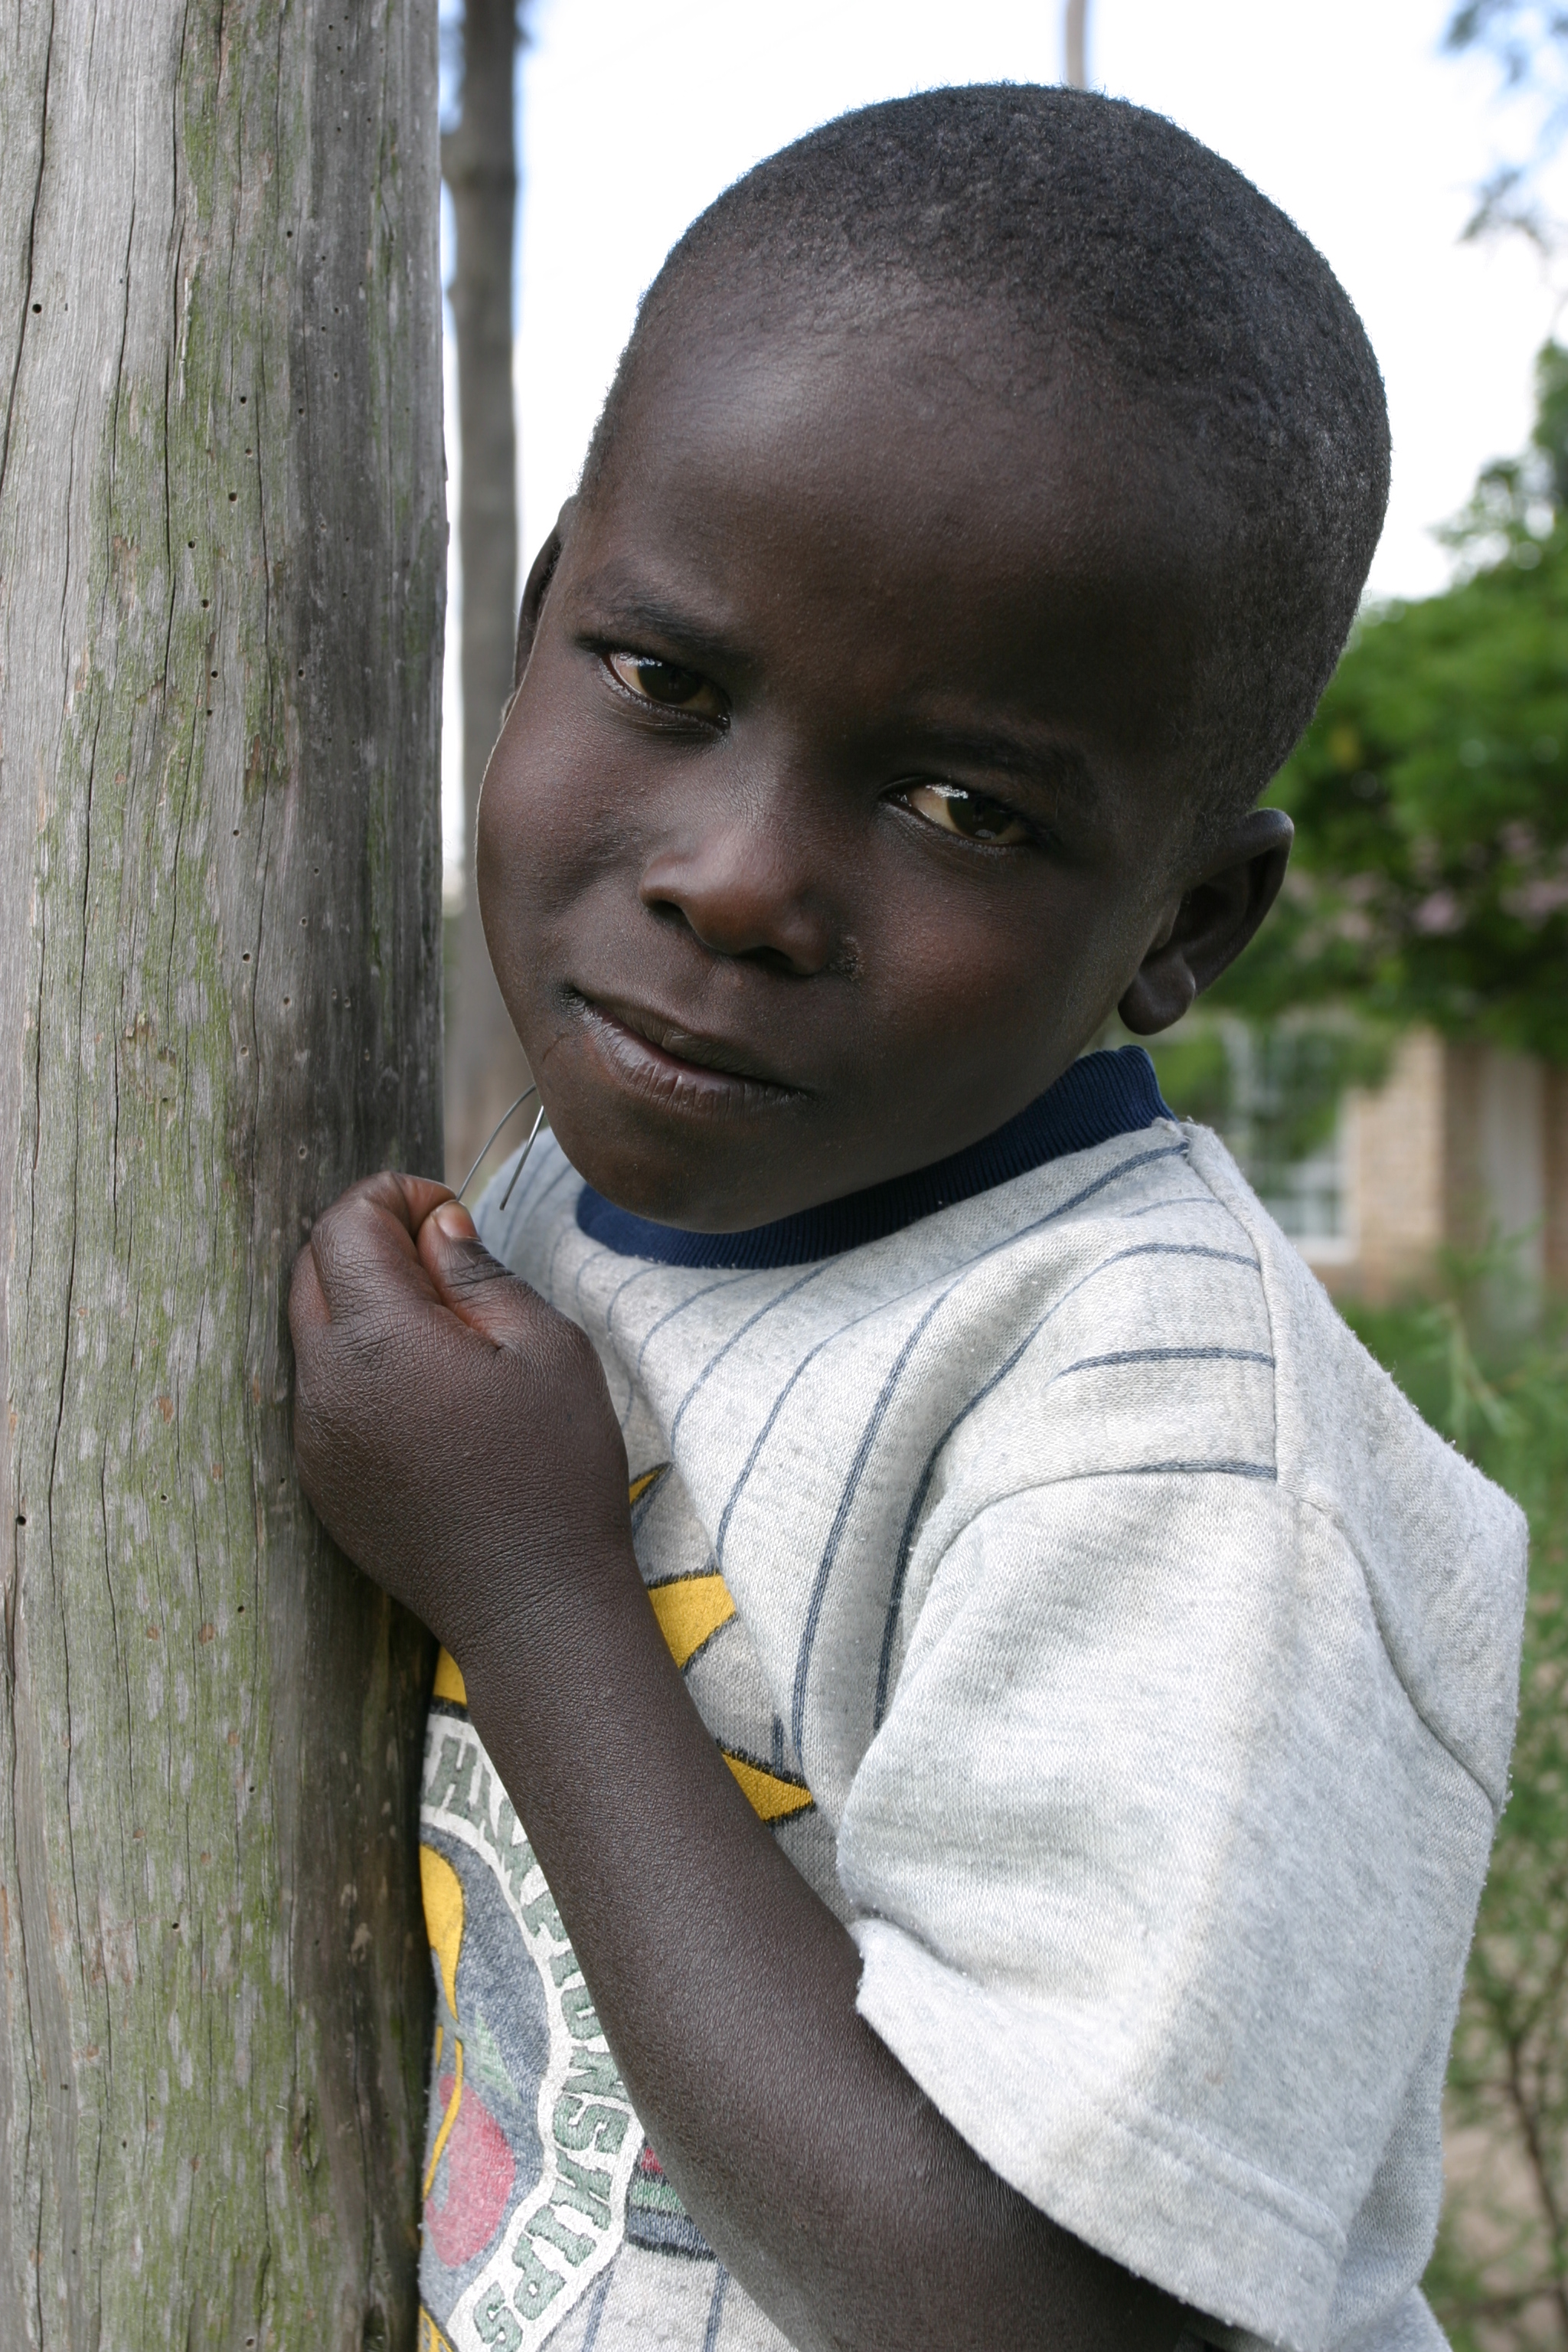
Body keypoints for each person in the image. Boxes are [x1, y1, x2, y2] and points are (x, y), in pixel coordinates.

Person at [289, 86, 1527, 2352]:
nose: (739, 878)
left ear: (1188, 920)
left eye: (964, 804)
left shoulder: (1173, 1458)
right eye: (666, 680)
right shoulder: (582, 1205)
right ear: (549, 604)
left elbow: (1031, 2312)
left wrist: (534, 1583)